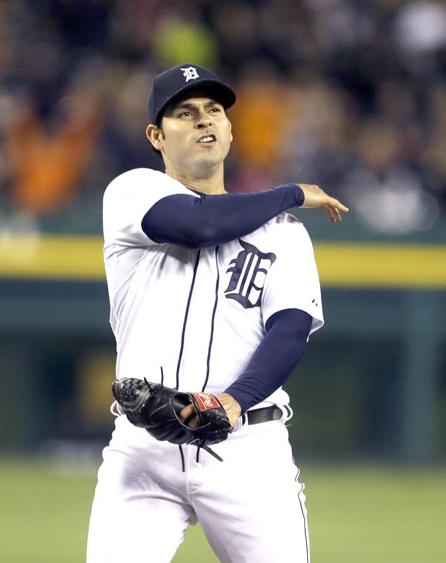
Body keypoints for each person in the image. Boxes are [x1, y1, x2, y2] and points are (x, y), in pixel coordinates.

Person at [87, 63, 348, 563]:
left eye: (214, 111)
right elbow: (199, 224)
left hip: (248, 448)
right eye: (185, 114)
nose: (205, 121)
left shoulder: (285, 232)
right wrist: (292, 191)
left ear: (229, 129)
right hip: (144, 448)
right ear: (156, 136)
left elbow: (290, 330)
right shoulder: (132, 192)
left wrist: (233, 401)